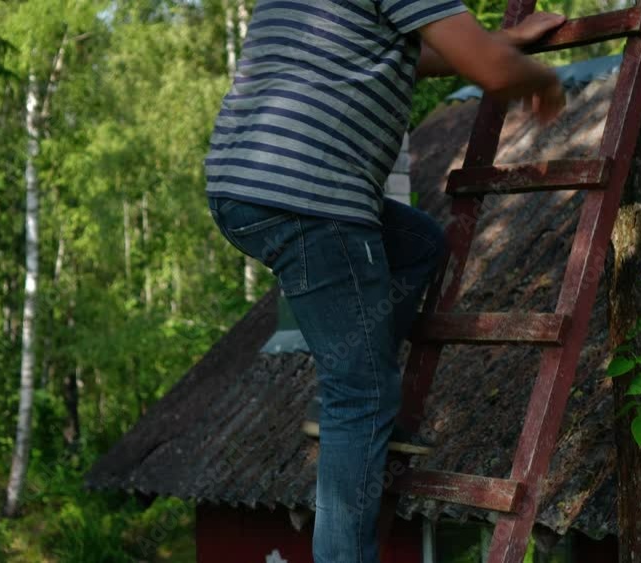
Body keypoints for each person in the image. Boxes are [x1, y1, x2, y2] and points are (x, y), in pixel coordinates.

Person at [204, 1, 566, 560]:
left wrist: (504, 40)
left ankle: (345, 391)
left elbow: (400, 53)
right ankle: (354, 398)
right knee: (363, 396)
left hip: (243, 187)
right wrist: (540, 77)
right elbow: (490, 72)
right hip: (311, 197)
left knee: (419, 244)